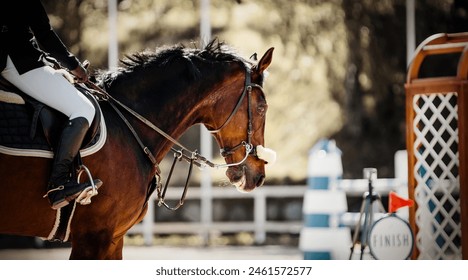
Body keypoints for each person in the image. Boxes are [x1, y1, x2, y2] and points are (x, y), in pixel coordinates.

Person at [0, 0, 101, 210]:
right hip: (17, 60)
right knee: (84, 109)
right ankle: (59, 184)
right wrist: (75, 67)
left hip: (16, 57)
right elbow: (44, 34)